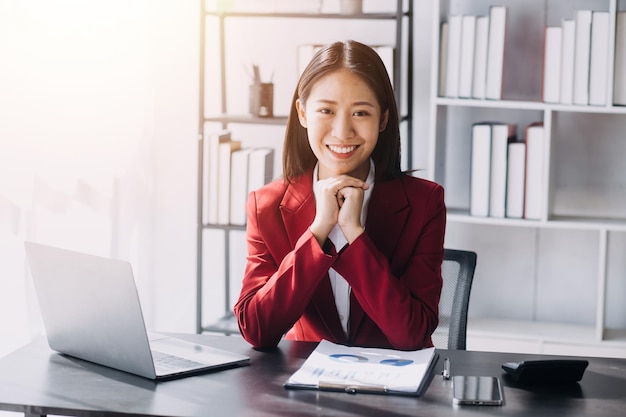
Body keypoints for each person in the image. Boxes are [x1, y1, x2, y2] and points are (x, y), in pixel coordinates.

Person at [233, 40, 446, 351]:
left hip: (393, 388)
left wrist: (355, 235)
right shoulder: (267, 206)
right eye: (326, 110)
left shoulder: (424, 203)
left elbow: (411, 334)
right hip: (303, 388)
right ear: (303, 113)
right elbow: (257, 330)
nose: (343, 131)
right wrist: (318, 231)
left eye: (360, 112)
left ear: (383, 119)